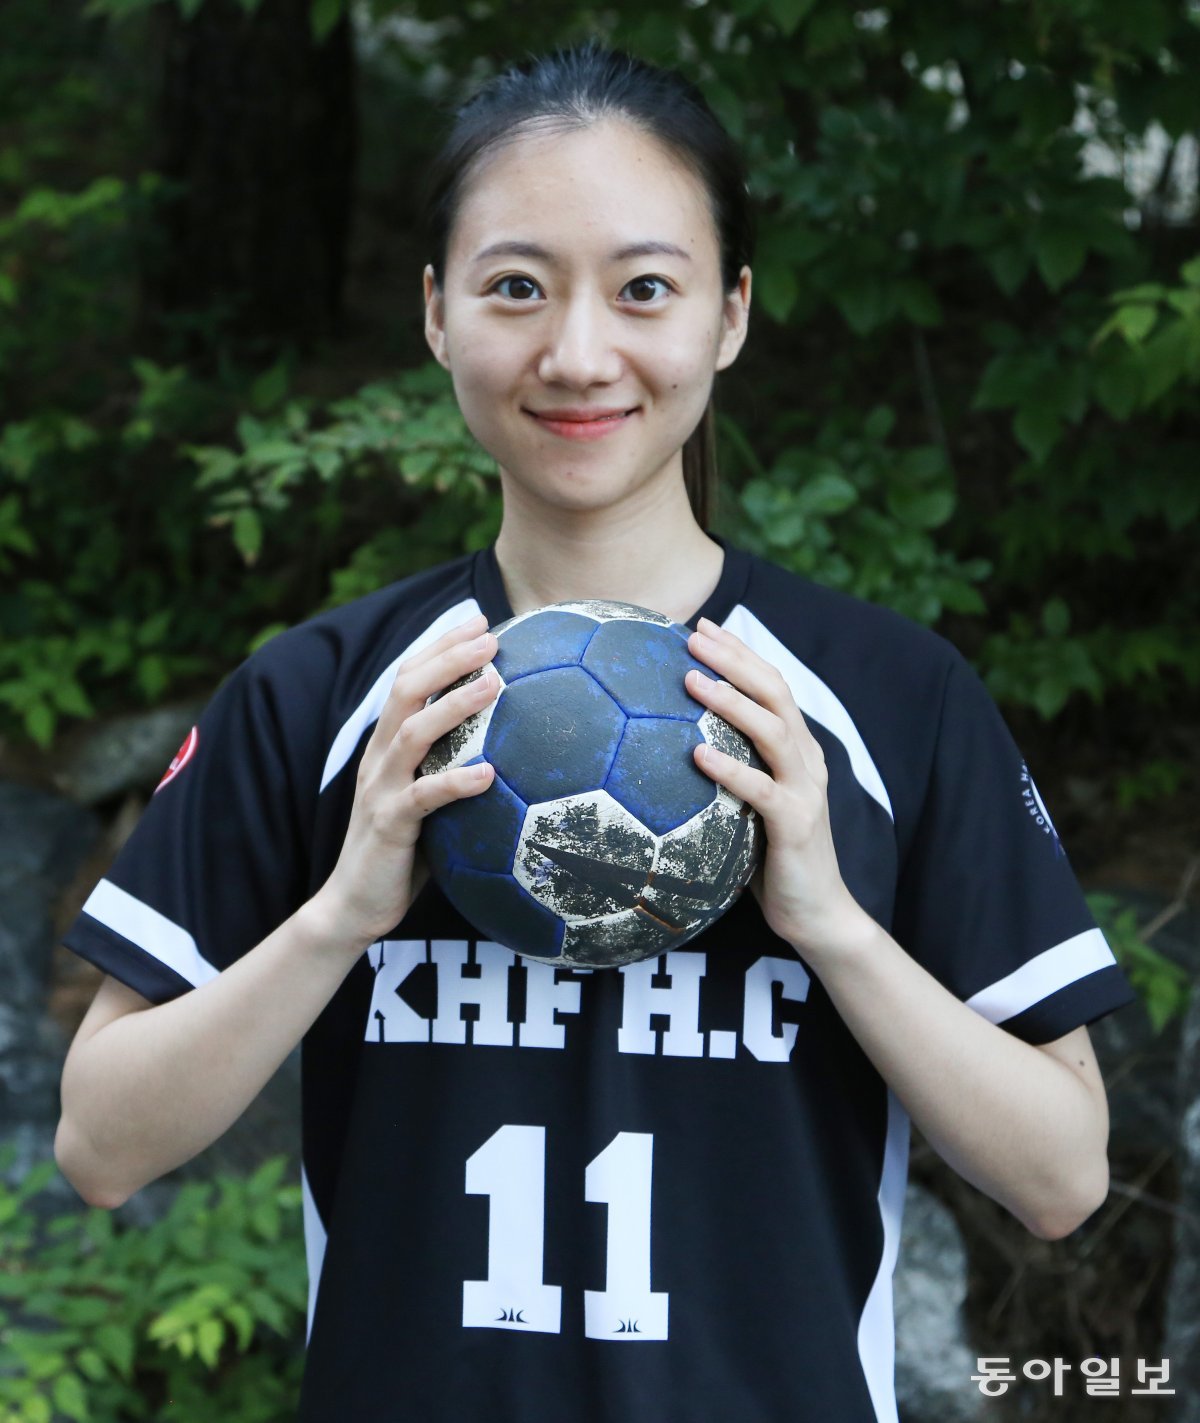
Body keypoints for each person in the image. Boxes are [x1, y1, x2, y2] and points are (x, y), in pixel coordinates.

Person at [55, 39, 1138, 1423]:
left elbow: (1062, 1177)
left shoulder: (890, 700)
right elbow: (98, 1145)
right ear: (437, 311)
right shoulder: (324, 699)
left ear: (730, 315)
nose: (578, 355)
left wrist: (834, 926)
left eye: (644, 290)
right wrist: (339, 915)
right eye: (516, 287)